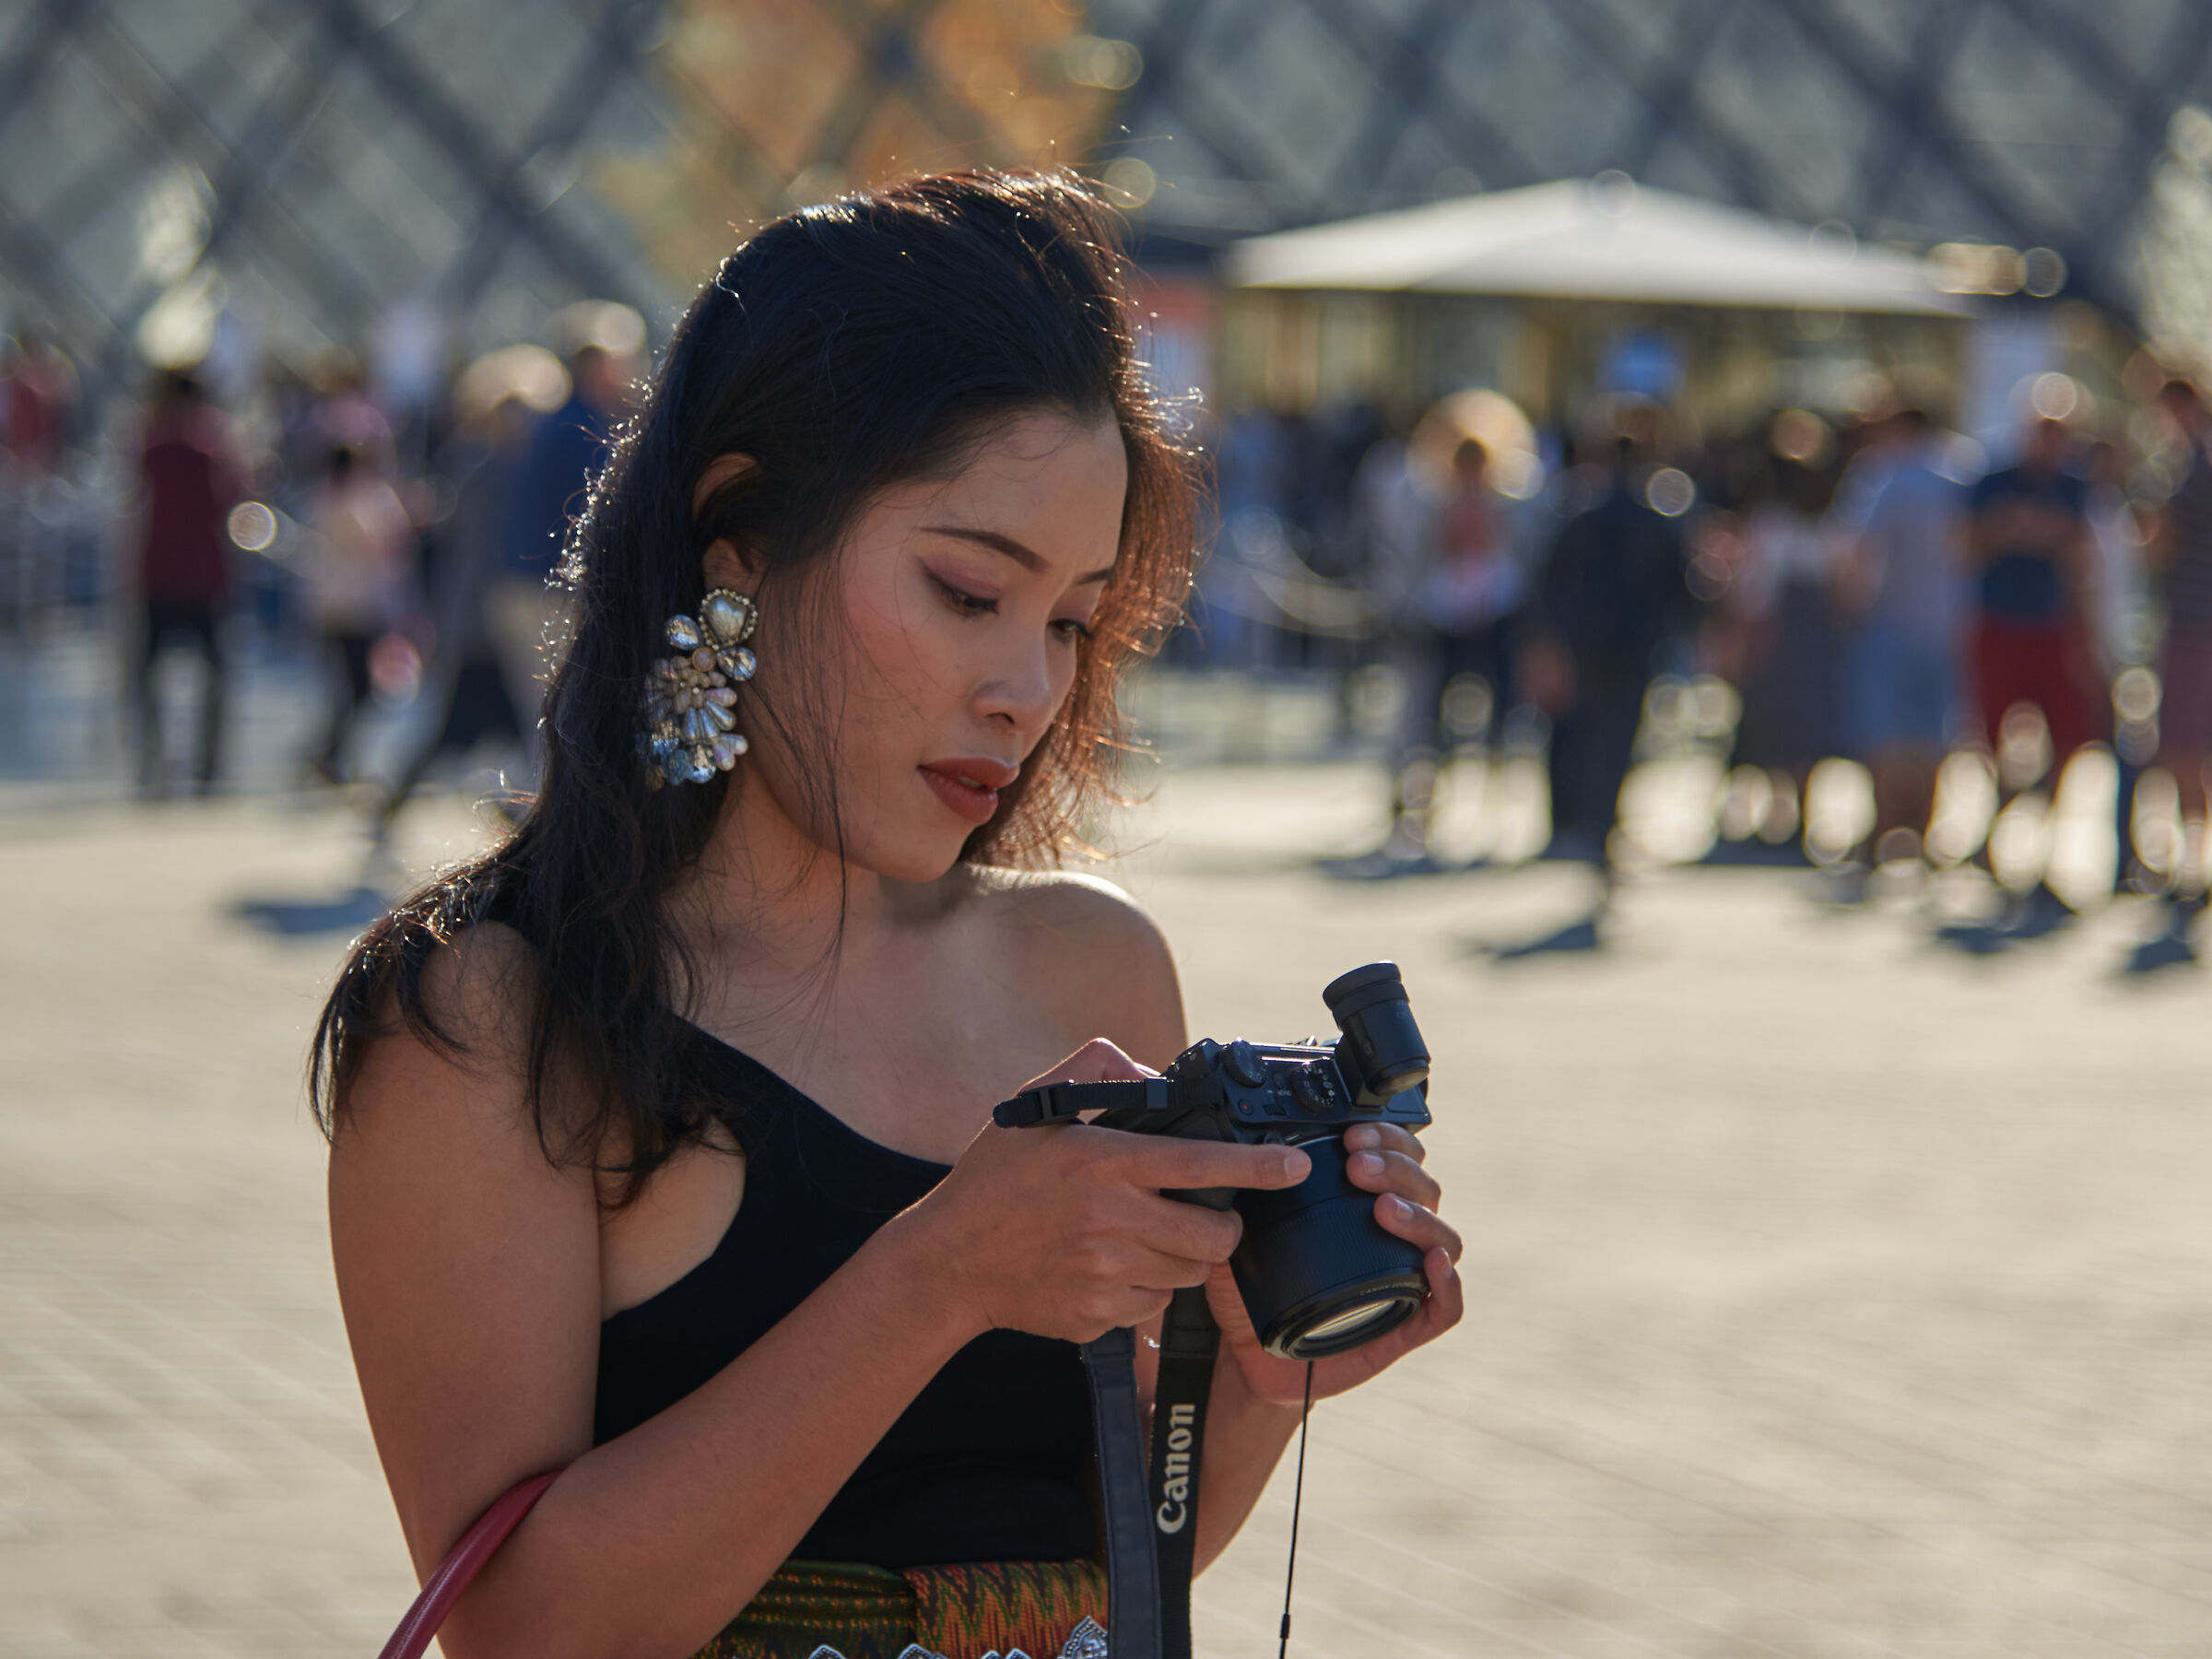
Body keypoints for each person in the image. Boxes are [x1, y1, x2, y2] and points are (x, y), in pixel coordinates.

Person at [314, 171, 1463, 1659]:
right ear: (737, 541)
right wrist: (939, 1273)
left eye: (1071, 620)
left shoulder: (1094, 967)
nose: (1028, 689)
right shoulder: (490, 1024)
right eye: (966, 589)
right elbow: (521, 1632)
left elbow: (1112, 1566)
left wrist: (1263, 1378)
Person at [1525, 418, 1692, 865]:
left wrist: (1548, 639)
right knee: (1618, 733)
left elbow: (1549, 584)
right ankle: (1599, 819)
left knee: (1579, 730)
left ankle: (1576, 818)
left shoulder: (1582, 514)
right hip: (1633, 643)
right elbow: (1680, 590)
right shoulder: (1654, 518)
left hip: (1586, 641)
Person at [489, 302, 642, 760]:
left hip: (523, 587)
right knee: (562, 722)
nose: (633, 369)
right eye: (623, 357)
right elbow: (602, 521)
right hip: (551, 593)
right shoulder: (585, 430)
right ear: (596, 364)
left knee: (545, 720)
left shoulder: (553, 423)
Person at [1834, 407, 1973, 868]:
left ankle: (1885, 831)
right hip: (1950, 625)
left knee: (1887, 732)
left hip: (1892, 623)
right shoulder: (1961, 478)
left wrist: (1854, 607)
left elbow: (1860, 550)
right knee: (1934, 733)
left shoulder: (1889, 480)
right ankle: (1923, 830)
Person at [130, 369, 241, 795]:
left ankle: (153, 766)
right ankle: (207, 767)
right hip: (204, 576)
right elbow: (231, 504)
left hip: (158, 575)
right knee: (214, 678)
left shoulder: (151, 448)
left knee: (149, 677)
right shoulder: (213, 450)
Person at [301, 442, 413, 784]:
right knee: (360, 688)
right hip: (357, 606)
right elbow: (381, 545)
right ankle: (329, 753)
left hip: (334, 605)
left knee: (350, 688)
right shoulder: (355, 503)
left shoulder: (321, 500)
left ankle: (331, 755)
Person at [2146, 378, 2212, 944]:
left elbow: (2160, 543)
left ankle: (2193, 861)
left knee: (2184, 749)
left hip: (2196, 628)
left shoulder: (2196, 463)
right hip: (2196, 624)